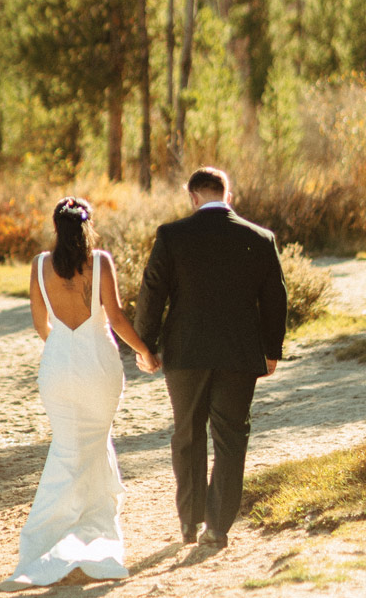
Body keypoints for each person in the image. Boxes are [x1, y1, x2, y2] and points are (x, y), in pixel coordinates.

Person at [0, 197, 160, 591]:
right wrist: (144, 351)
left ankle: (80, 542)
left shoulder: (39, 266)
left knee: (72, 447)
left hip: (58, 367)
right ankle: (77, 544)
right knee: (84, 448)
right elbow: (117, 317)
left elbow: (42, 326)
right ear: (87, 226)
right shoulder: (101, 261)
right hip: (98, 364)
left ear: (56, 227)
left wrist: (64, 349)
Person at [134, 167, 287, 549]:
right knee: (231, 438)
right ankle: (217, 526)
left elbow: (153, 292)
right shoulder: (260, 238)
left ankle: (189, 522)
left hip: (185, 352)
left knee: (187, 434)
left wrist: (145, 346)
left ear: (193, 197)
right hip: (238, 352)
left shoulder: (172, 236)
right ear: (227, 195)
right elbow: (275, 299)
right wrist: (271, 351)